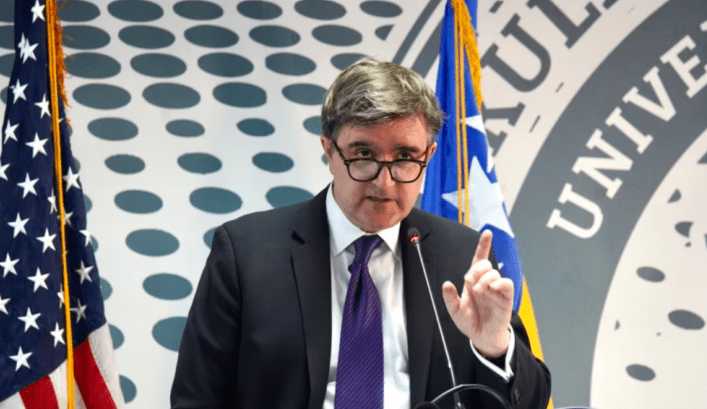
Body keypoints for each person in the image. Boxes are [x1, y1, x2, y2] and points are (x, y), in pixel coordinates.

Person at [171, 58, 550, 409]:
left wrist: (494, 345)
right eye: (364, 155)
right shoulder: (246, 253)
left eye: (405, 157)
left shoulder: (462, 254)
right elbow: (196, 398)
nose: (385, 183)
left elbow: (530, 402)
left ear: (429, 155)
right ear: (329, 151)